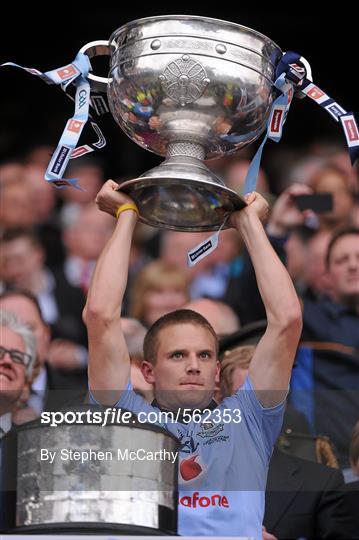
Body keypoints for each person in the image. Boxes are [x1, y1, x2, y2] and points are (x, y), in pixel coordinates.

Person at [84, 180, 303, 537]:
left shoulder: (249, 420)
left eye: (204, 355)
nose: (193, 364)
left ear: (217, 369)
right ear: (148, 371)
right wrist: (126, 215)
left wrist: (249, 226)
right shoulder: (124, 417)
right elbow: (100, 315)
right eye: (177, 355)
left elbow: (287, 321)